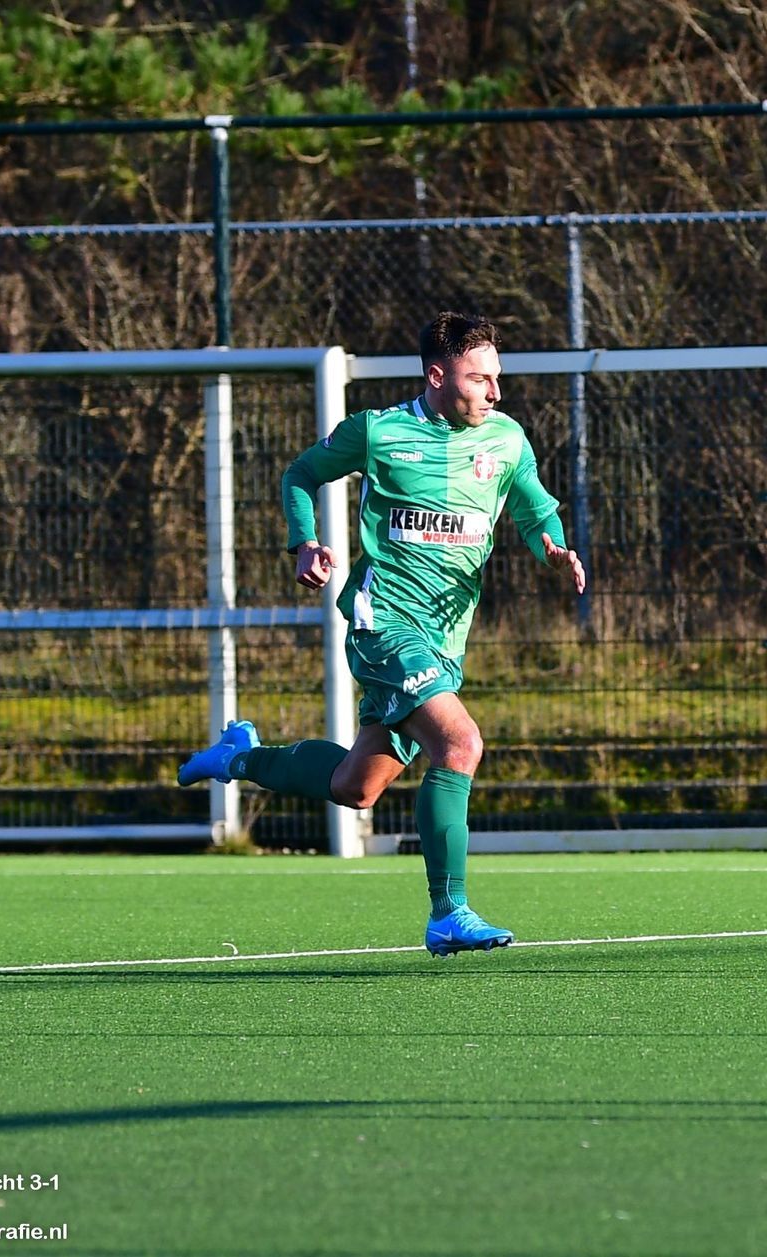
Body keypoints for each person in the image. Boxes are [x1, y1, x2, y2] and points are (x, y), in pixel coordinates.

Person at [178, 311, 586, 956]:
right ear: (437, 376)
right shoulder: (378, 431)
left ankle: (238, 757)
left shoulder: (507, 440)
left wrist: (554, 548)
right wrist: (305, 541)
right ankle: (449, 913)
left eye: (496, 377)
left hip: (444, 639)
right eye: (480, 379)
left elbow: (535, 510)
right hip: (383, 622)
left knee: (356, 786)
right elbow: (300, 474)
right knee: (460, 744)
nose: (495, 391)